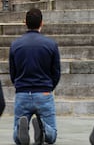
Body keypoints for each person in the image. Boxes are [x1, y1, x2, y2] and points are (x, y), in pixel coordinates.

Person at [9, 8, 61, 145]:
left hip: (22, 92)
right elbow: (56, 72)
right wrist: (49, 87)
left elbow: (13, 72)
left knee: (17, 138)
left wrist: (20, 86)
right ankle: (43, 129)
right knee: (52, 136)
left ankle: (21, 127)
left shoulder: (15, 45)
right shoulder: (51, 44)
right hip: (43, 91)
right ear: (41, 23)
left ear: (25, 23)